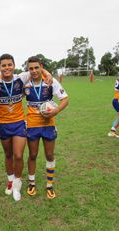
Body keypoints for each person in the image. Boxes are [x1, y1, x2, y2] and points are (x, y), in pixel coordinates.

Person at [0, 54, 53, 201]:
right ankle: (10, 181)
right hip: (3, 125)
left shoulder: (22, 77)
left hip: (19, 123)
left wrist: (47, 73)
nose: (7, 68)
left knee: (18, 155)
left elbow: (37, 71)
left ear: (13, 65)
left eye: (9, 65)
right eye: (3, 65)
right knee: (8, 155)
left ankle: (17, 185)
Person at [24, 56, 68, 199]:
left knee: (49, 155)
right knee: (32, 155)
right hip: (32, 124)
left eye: (37, 67)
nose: (34, 71)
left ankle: (49, 185)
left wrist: (56, 111)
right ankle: (31, 183)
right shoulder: (25, 83)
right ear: (28, 69)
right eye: (31, 68)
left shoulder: (50, 81)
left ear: (41, 66)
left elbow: (65, 99)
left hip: (48, 124)